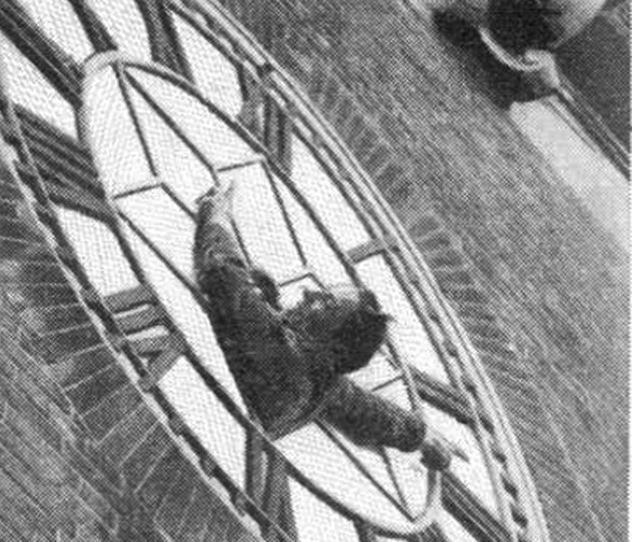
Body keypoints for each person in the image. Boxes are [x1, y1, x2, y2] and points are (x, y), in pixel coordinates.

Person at [194, 183, 453, 470]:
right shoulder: (321, 384)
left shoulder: (281, 352)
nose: (308, 294)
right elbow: (366, 411)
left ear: (333, 344)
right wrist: (418, 435)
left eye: (326, 304)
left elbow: (221, 269)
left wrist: (216, 214)